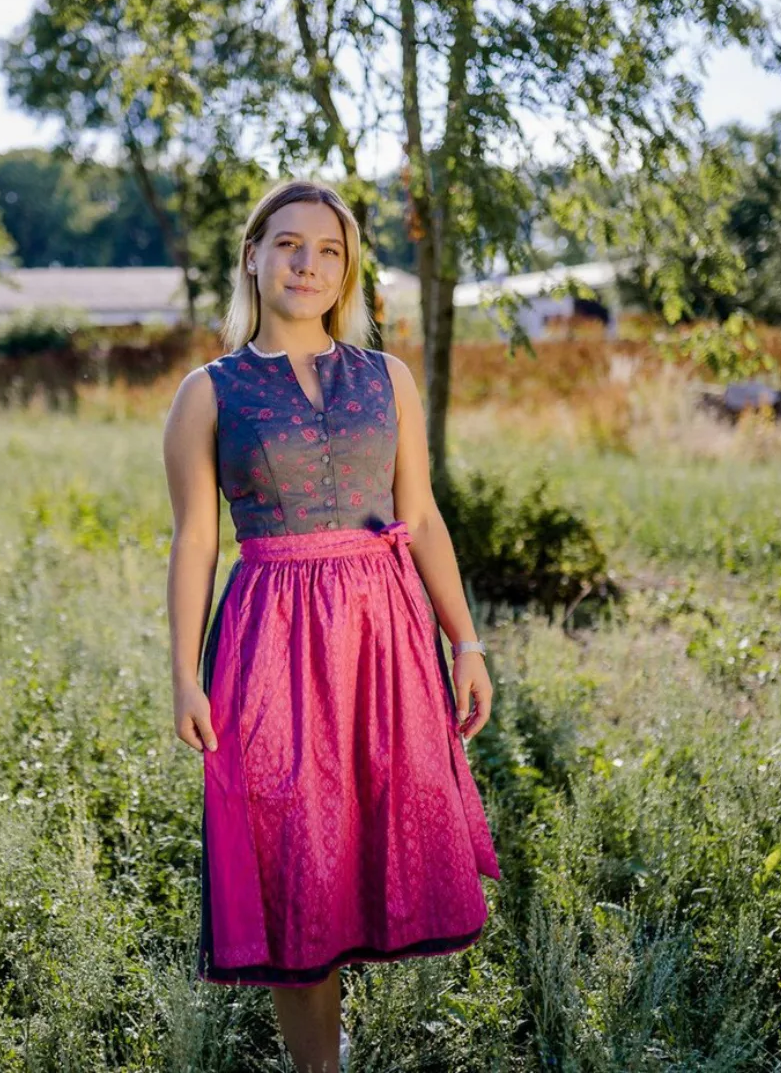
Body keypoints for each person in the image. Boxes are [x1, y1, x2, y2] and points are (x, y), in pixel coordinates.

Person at [162, 179, 502, 1073]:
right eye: (287, 245)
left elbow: (420, 517)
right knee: (285, 845)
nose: (306, 265)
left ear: (346, 270)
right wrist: (183, 675)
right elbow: (196, 540)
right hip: (267, 634)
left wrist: (464, 644)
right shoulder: (209, 392)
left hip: (383, 636)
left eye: (327, 250)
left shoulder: (385, 376)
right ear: (252, 256)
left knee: (373, 829)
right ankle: (319, 1064)